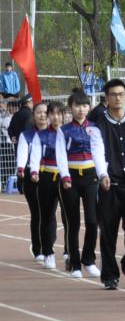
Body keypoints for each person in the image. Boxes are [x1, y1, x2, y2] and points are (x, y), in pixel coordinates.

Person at [44, 91, 106, 281]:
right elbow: (61, 154)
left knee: (93, 221)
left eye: (84, 105)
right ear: (70, 108)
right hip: (70, 177)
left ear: (89, 107)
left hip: (90, 177)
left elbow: (99, 153)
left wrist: (103, 174)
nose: (81, 109)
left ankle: (89, 259)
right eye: (77, 106)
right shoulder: (64, 130)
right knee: (73, 223)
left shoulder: (94, 129)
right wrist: (64, 176)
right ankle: (75, 263)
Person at [89, 79, 125, 289]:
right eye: (113, 94)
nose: (117, 98)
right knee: (108, 232)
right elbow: (97, 150)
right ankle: (110, 275)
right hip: (109, 186)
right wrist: (102, 173)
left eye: (121, 94)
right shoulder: (98, 124)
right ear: (107, 98)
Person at [28, 102, 65, 272]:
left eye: (59, 113)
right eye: (52, 114)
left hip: (66, 178)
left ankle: (69, 251)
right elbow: (35, 155)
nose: (55, 117)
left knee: (69, 217)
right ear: (49, 116)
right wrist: (34, 171)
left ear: (64, 115)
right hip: (47, 178)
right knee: (47, 216)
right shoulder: (41, 135)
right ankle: (48, 252)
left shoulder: (69, 133)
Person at [16, 102, 48, 262]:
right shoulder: (26, 135)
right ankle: (38, 248)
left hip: (51, 174)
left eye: (45, 112)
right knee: (37, 213)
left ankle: (49, 245)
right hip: (31, 176)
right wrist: (21, 168)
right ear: (33, 115)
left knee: (49, 213)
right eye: (39, 112)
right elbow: (22, 153)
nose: (42, 115)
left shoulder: (57, 134)